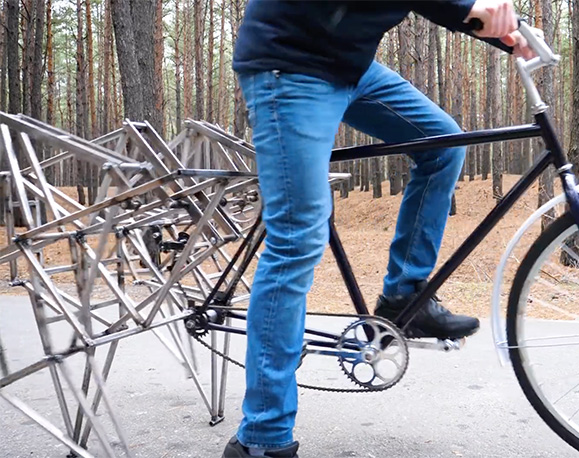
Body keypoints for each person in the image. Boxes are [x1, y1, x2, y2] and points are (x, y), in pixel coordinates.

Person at [224, 2, 536, 457]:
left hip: (349, 65)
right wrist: (468, 8)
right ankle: (262, 437)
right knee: (297, 240)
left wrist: (503, 31)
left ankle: (404, 296)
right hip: (288, 66)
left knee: (442, 147)